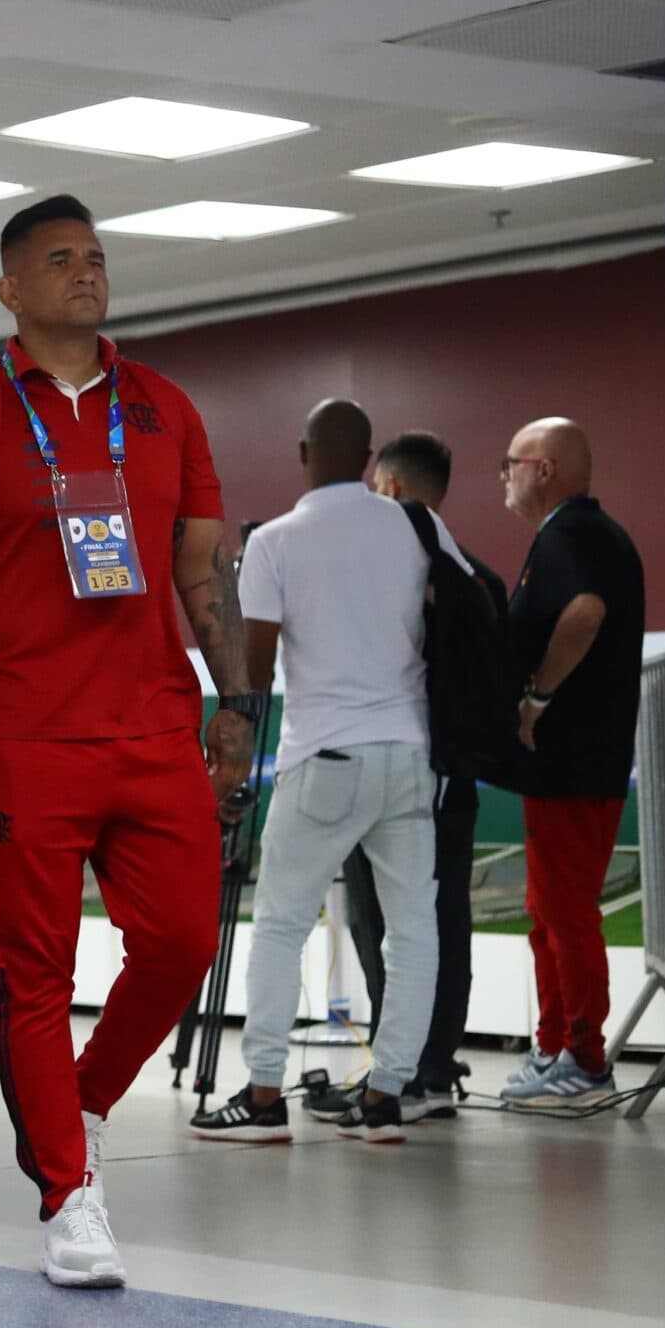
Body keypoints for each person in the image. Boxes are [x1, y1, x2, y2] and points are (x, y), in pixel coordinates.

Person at [0, 193, 251, 1288]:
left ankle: (86, 1098)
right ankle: (68, 1191)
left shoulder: (167, 408)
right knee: (31, 968)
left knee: (186, 942)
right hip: (25, 734)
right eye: (59, 260)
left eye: (95, 257)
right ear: (11, 288)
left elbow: (205, 568)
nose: (85, 273)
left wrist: (237, 699)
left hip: (153, 724)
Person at [186, 400, 459, 1145]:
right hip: (408, 753)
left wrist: (234, 762)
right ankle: (386, 1096)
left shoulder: (275, 542)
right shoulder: (417, 525)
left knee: (278, 924)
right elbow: (468, 606)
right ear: (372, 457)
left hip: (326, 757)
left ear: (304, 452)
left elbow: (257, 664)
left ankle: (267, 1096)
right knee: (412, 932)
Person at [324, 431, 506, 1114]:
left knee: (393, 925)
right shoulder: (477, 573)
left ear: (391, 489)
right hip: (449, 775)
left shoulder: (404, 574)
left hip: (399, 772)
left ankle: (408, 1072)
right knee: (435, 919)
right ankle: (416, 1066)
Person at [498, 417, 645, 1108]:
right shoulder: (578, 535)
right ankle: (557, 1044)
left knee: (566, 911)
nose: (504, 475)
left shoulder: (571, 534)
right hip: (571, 764)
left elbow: (583, 614)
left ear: (545, 468)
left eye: (511, 462)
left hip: (574, 761)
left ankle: (585, 1061)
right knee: (549, 909)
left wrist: (536, 697)